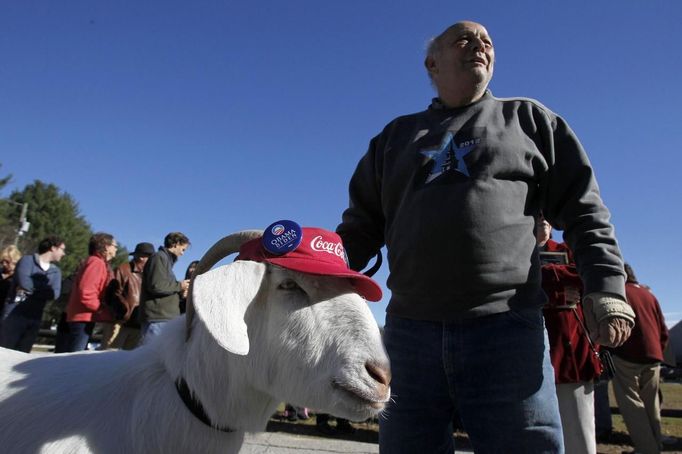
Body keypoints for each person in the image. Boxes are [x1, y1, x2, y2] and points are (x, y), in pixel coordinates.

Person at [336, 20, 635, 453]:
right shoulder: (393, 138)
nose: (479, 44)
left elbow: (586, 210)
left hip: (507, 331)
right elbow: (358, 231)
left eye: (487, 41)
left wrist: (607, 288)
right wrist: (309, 267)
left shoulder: (530, 121)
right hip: (408, 337)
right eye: (463, 38)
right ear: (432, 62)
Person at [537, 216, 601, 454]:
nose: (541, 222)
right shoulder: (516, 255)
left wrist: (544, 283)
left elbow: (583, 279)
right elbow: (514, 287)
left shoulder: (566, 251)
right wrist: (555, 294)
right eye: (536, 217)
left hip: (571, 353)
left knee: (578, 429)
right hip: (530, 353)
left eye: (545, 218)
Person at [609, 263, 669, 454]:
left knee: (632, 406)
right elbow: (663, 329)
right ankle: (656, 445)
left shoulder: (621, 293)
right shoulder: (648, 295)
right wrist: (659, 350)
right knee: (652, 406)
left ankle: (647, 449)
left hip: (628, 355)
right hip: (653, 356)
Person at [54, 233, 117, 353]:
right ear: (106, 246)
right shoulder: (96, 263)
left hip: (82, 317)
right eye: (115, 245)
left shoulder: (96, 262)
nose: (116, 249)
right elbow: (86, 293)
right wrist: (101, 310)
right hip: (82, 318)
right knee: (73, 359)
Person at [0, 236, 65, 352]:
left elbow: (54, 294)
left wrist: (33, 289)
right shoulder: (26, 261)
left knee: (21, 355)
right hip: (14, 315)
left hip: (35, 318)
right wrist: (44, 289)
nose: (63, 253)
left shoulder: (56, 272)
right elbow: (25, 283)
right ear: (53, 248)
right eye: (62, 249)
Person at [98, 242, 154, 350]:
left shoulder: (149, 275)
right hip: (120, 324)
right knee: (108, 355)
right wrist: (122, 313)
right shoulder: (123, 270)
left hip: (137, 325)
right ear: (142, 257)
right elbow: (111, 295)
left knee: (128, 360)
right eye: (150, 257)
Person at [139, 232, 190, 343]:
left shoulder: (164, 260)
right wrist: (179, 285)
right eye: (183, 249)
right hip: (157, 320)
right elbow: (157, 285)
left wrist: (180, 294)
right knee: (152, 356)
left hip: (162, 319)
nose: (182, 253)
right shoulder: (159, 258)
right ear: (176, 244)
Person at [0, 245, 22, 317]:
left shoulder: (19, 278)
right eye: (2, 261)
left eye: (7, 261)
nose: (4, 264)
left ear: (15, 262)